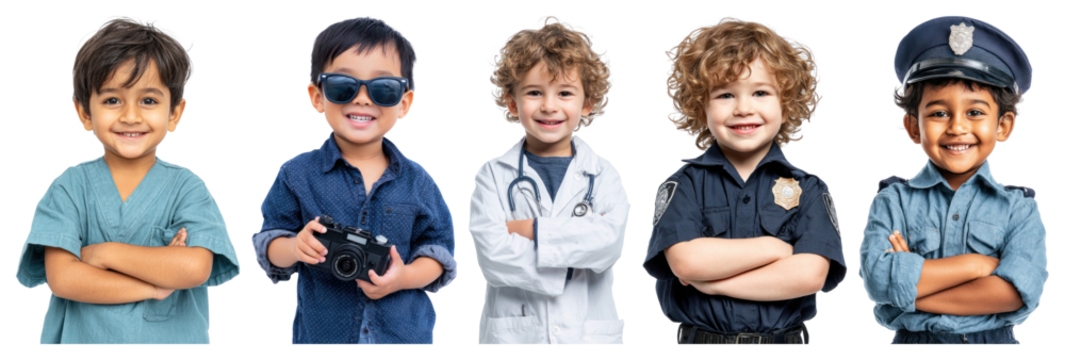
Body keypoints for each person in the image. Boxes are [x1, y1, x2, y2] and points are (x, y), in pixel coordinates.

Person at [13, 15, 241, 345]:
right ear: (84, 114)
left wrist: (104, 254)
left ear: (175, 113)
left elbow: (194, 268)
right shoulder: (68, 188)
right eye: (112, 100)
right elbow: (64, 277)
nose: (130, 116)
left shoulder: (188, 189)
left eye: (148, 100)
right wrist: (154, 286)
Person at [250, 16, 458, 346]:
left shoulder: (419, 181)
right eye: (342, 86)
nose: (362, 98)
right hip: (322, 336)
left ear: (404, 103)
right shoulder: (296, 174)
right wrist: (294, 247)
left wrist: (403, 277)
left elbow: (439, 253)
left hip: (404, 336)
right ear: (316, 96)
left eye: (383, 89)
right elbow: (269, 243)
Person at [641, 16, 847, 346]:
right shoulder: (684, 184)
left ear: (786, 102)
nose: (743, 108)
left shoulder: (810, 188)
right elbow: (687, 261)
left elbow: (810, 274)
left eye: (761, 92)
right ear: (701, 104)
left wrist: (713, 283)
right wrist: (775, 248)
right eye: (725, 95)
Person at [858, 14, 1048, 346]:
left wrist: (909, 293)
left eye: (975, 112)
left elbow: (1015, 292)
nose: (957, 127)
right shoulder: (891, 201)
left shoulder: (1020, 210)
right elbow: (877, 280)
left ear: (1003, 125)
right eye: (938, 113)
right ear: (913, 127)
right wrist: (976, 266)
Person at [469, 16, 629, 346]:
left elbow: (609, 245)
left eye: (565, 93)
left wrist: (531, 230)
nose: (549, 106)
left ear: (587, 102)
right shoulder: (492, 176)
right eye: (534, 92)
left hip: (589, 336)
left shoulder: (604, 175)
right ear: (513, 102)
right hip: (515, 337)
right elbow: (493, 257)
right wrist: (574, 258)